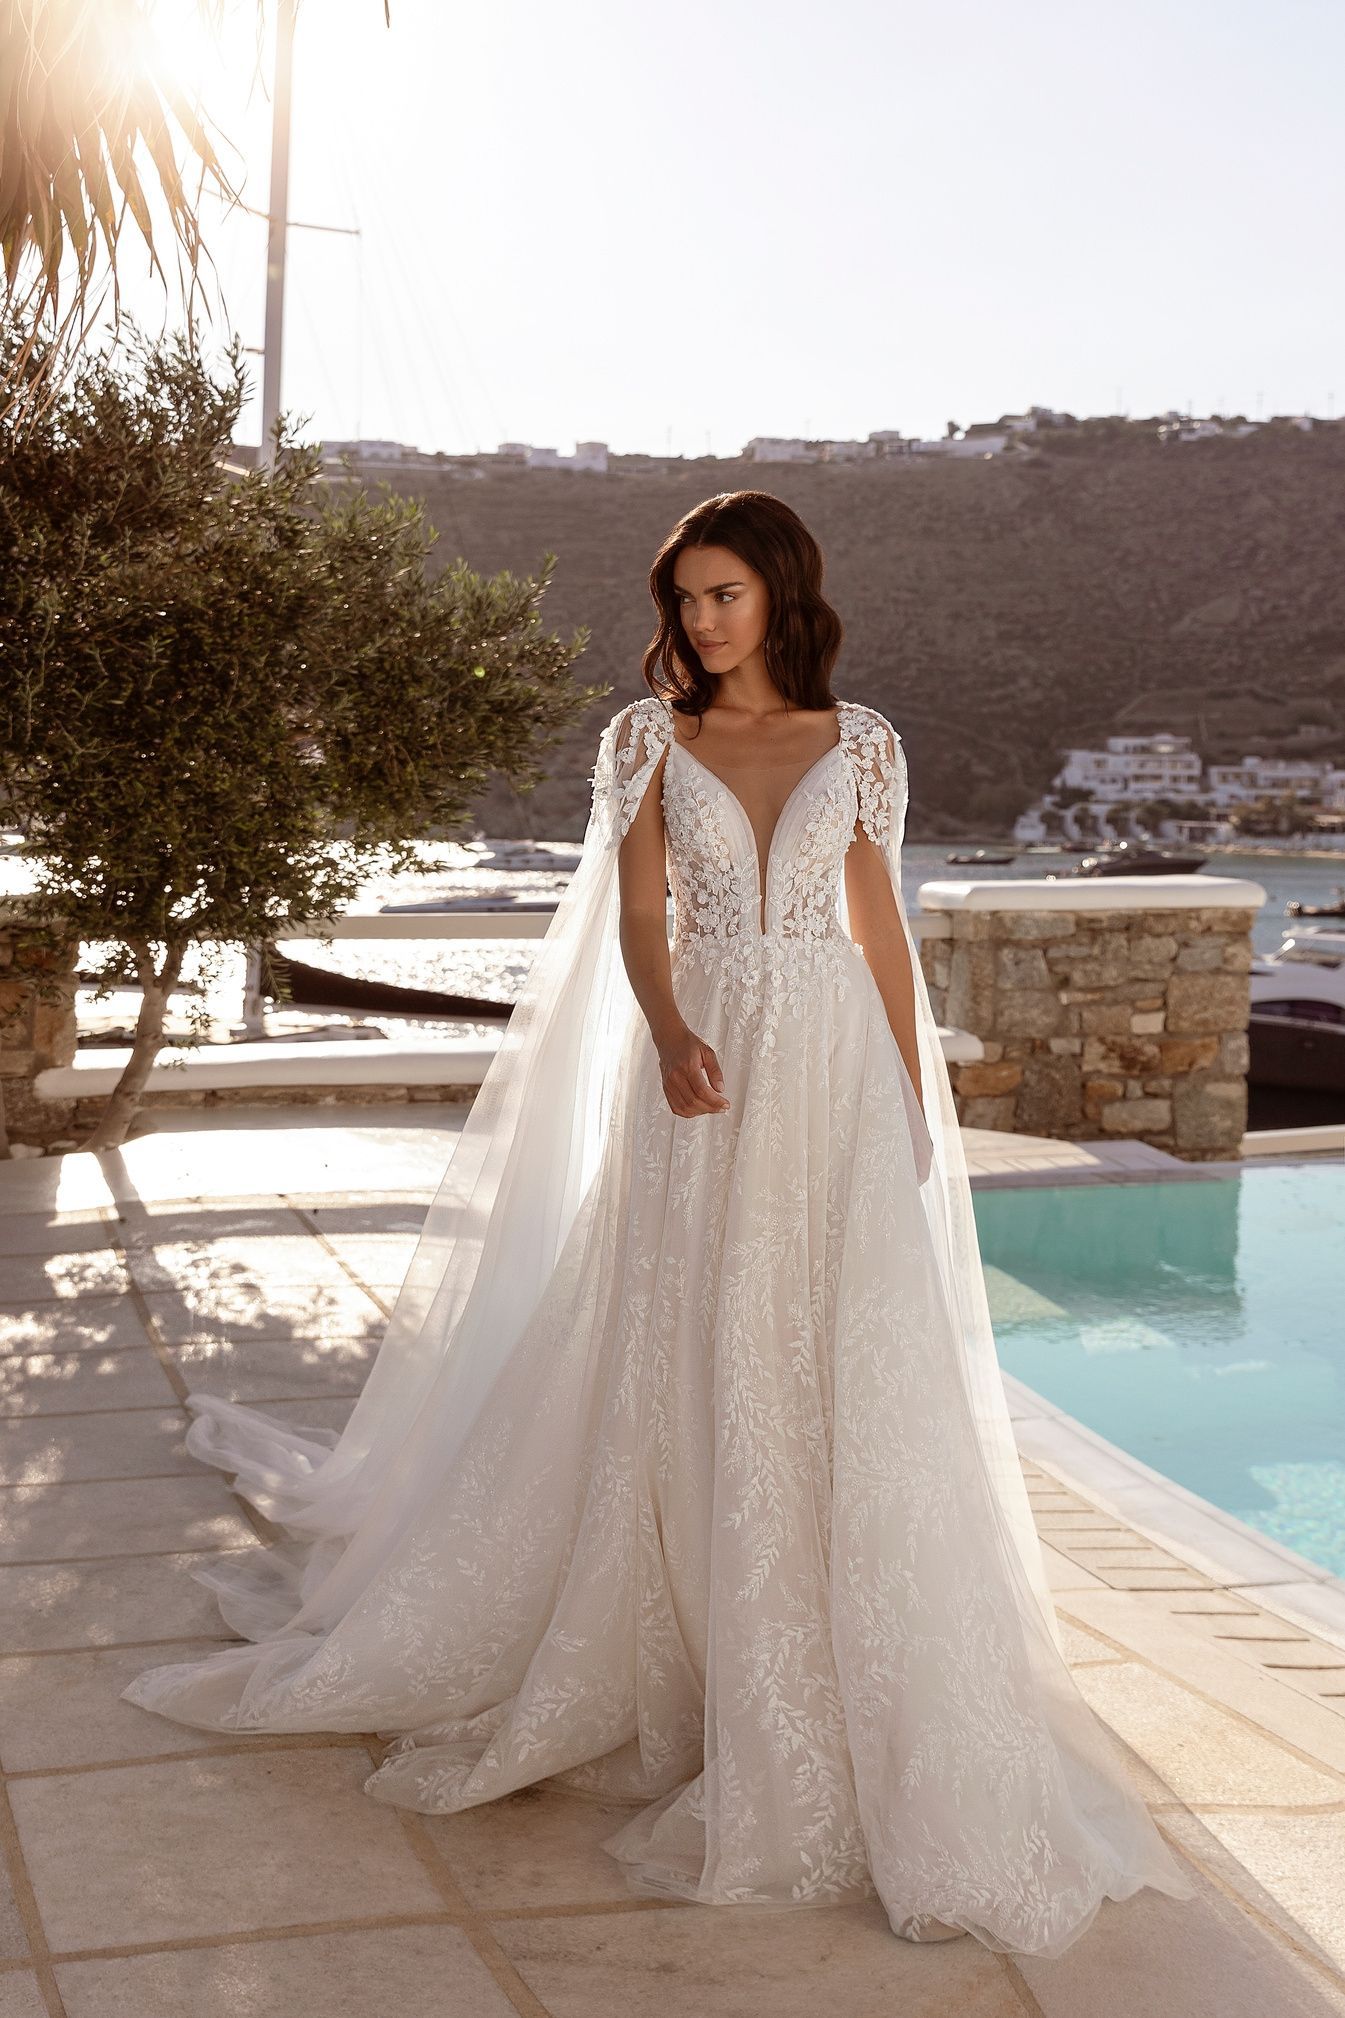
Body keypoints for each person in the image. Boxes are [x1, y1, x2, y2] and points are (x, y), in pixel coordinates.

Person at [123, 490, 1196, 1957]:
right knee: (689, 1327)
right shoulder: (645, 742)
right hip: (703, 1061)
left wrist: (910, 1095)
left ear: (781, 599)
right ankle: (689, 1634)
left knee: (837, 1349)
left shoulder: (862, 743)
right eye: (683, 598)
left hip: (829, 1062)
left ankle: (846, 1644)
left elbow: (878, 922)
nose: (699, 623)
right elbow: (636, 917)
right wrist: (672, 1022)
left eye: (724, 597)